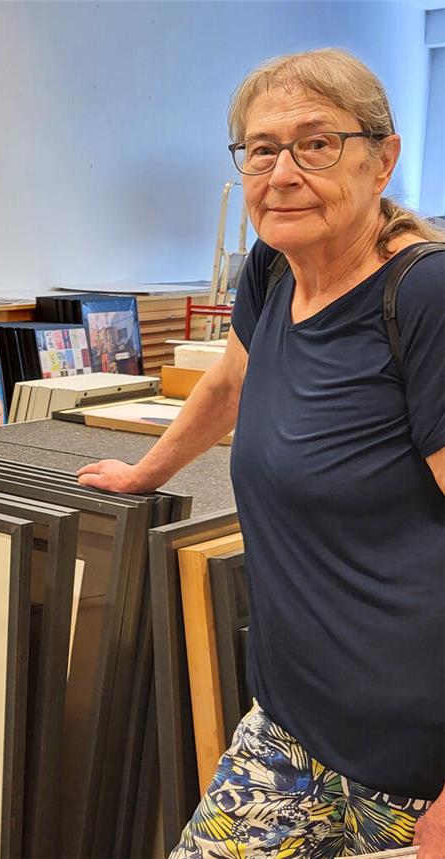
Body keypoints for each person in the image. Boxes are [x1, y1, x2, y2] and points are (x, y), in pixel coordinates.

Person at [77, 49, 444, 857]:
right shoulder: (273, 268)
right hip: (290, 729)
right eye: (261, 149)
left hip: (416, 762)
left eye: (316, 143)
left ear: (382, 158)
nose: (282, 172)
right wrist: (146, 472)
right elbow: (226, 385)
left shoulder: (423, 298)